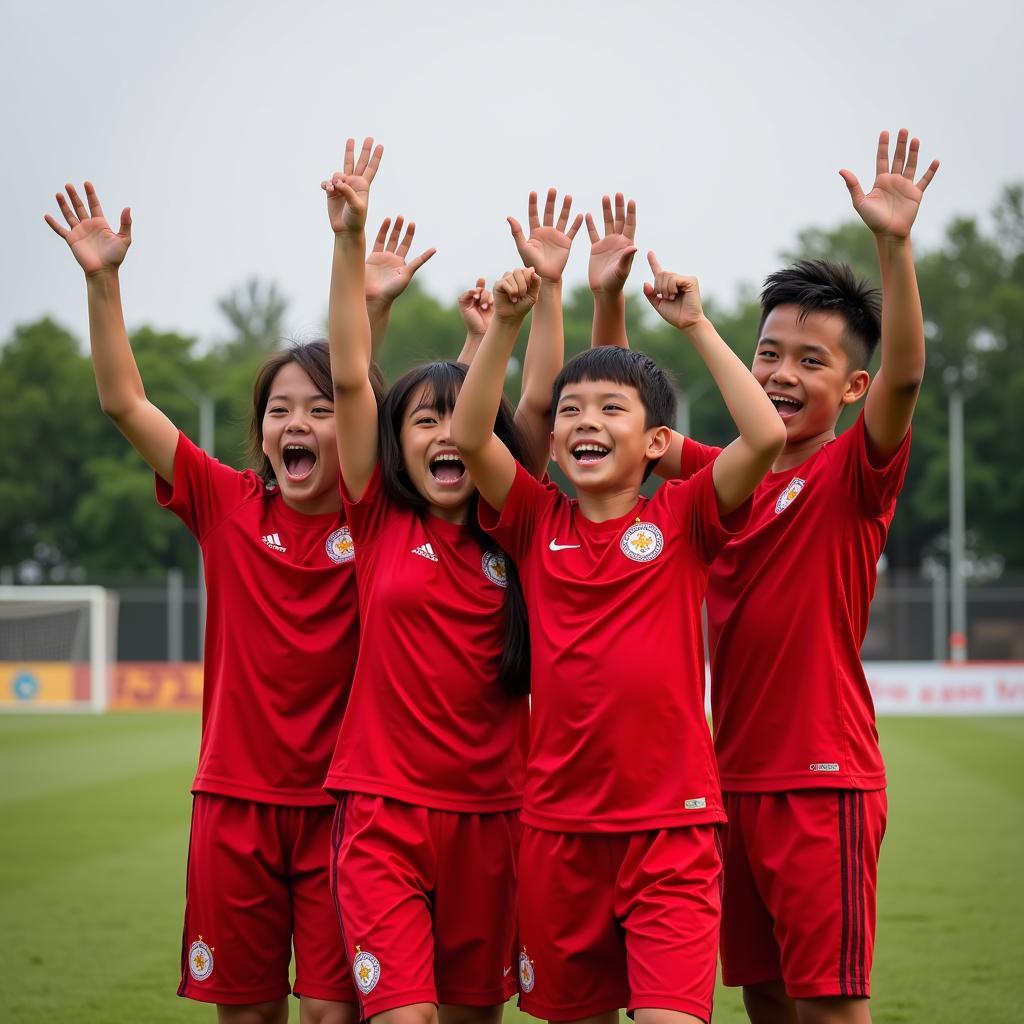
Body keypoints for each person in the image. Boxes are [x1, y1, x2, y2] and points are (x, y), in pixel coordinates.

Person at [43, 180, 424, 1024]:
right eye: (280, 409)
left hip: (340, 809)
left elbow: (362, 390)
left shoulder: (377, 522)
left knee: (334, 1013)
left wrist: (366, 302)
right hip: (234, 806)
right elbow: (123, 401)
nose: (300, 423)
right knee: (246, 1014)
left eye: (318, 411)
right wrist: (102, 283)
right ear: (261, 434)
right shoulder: (226, 505)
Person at [450, 251, 785, 1024]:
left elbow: (763, 436)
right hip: (558, 831)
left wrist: (696, 324)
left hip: (672, 829)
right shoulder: (535, 521)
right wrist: (505, 322)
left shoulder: (685, 517)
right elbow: (473, 436)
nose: (584, 423)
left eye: (610, 409)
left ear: (657, 443)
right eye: (570, 410)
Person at [650, 130, 938, 1024]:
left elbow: (908, 373)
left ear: (852, 389)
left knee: (827, 1009)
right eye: (769, 352)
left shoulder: (855, 474)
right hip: (722, 783)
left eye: (811, 362)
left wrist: (892, 245)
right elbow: (618, 429)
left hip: (823, 782)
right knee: (764, 1000)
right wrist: (617, 303)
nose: (779, 372)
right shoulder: (720, 476)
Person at [319, 139, 582, 1024]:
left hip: (496, 821)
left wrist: (546, 292)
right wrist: (350, 243)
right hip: (384, 817)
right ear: (395, 442)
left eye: (454, 421)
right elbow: (350, 376)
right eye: (421, 420)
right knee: (405, 1016)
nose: (441, 437)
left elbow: (539, 403)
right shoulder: (376, 518)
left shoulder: (524, 526)